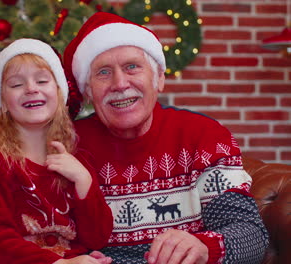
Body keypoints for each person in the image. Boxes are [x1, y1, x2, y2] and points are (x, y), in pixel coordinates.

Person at [63, 12, 269, 264]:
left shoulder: (203, 138)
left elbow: (250, 236)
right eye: (103, 72)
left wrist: (204, 247)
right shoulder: (69, 146)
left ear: (158, 78)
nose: (120, 83)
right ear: (87, 91)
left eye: (132, 67)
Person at [0, 38, 113, 264]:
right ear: (3, 102)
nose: (31, 89)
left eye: (42, 80)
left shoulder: (77, 159)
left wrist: (84, 180)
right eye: (16, 85)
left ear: (59, 94)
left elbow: (97, 237)